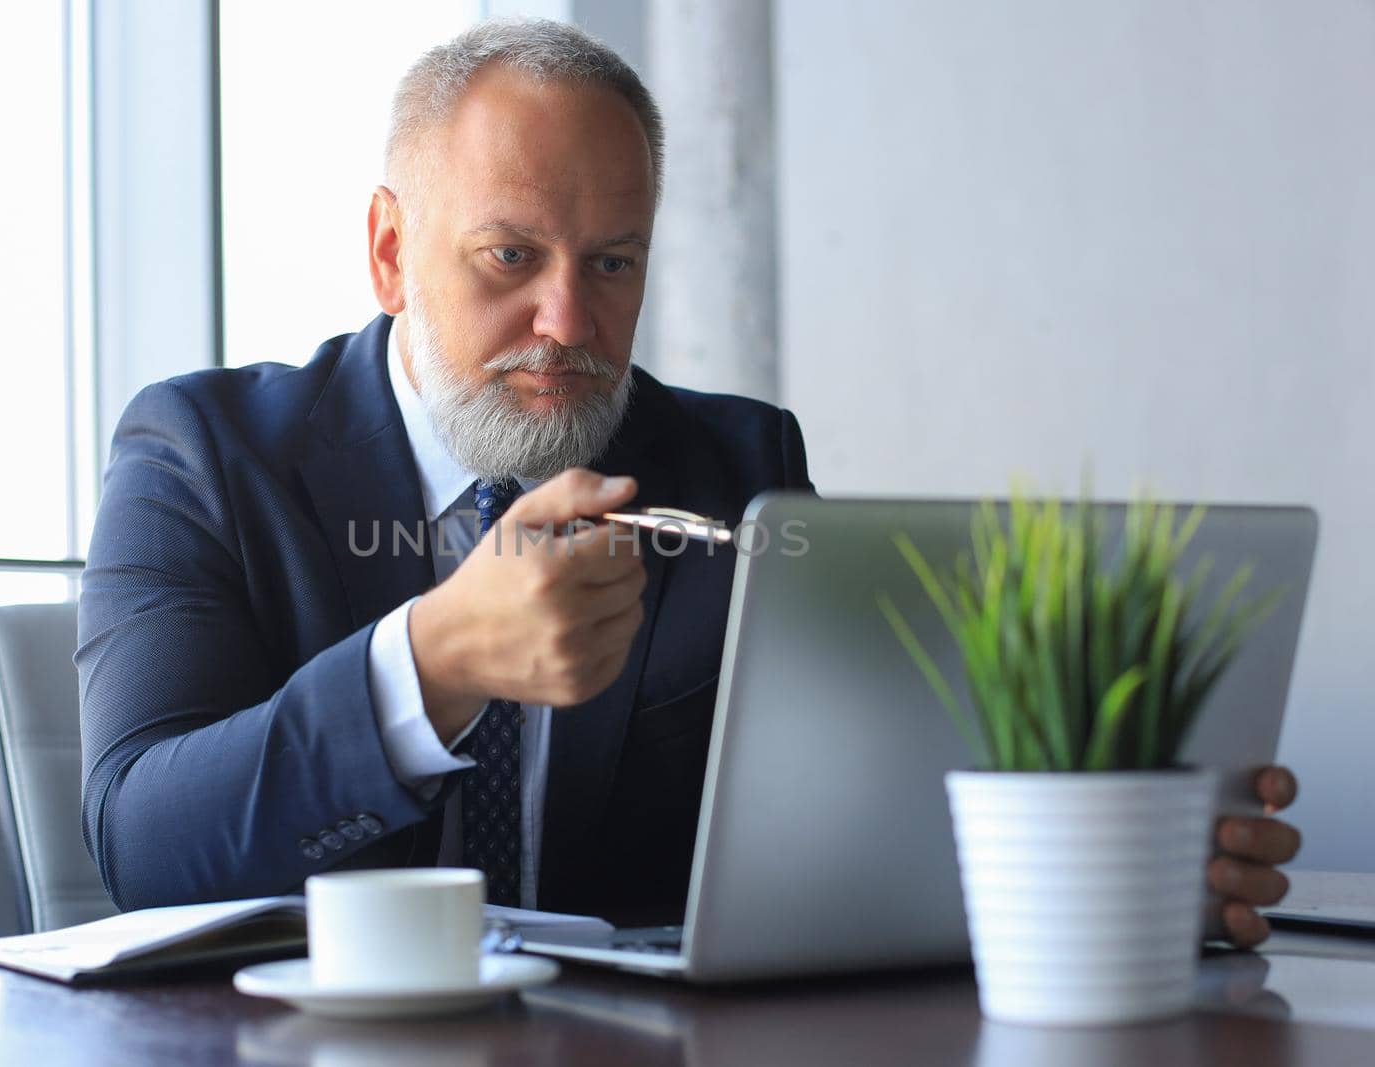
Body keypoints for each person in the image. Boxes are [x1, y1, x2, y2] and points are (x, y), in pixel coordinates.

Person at [76, 18, 1299, 941]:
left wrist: (1114, 871)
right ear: (392, 251)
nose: (566, 319)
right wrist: (435, 661)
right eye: (510, 255)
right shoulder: (202, 451)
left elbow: (864, 819)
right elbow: (145, 843)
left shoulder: (736, 466)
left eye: (612, 262)